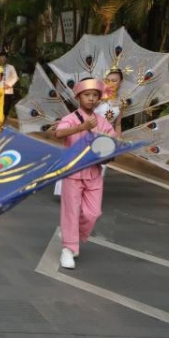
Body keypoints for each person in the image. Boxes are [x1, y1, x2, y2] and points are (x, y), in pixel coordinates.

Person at [53, 78, 117, 269]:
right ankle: (68, 249)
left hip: (94, 173)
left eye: (95, 95)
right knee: (71, 212)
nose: (91, 99)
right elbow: (58, 134)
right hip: (73, 171)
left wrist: (110, 154)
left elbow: (112, 144)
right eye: (87, 95)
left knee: (93, 213)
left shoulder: (103, 122)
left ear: (99, 99)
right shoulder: (70, 118)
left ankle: (69, 234)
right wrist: (81, 128)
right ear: (79, 97)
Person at [0, 51, 18, 117]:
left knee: (6, 107)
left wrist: (9, 85)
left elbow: (16, 77)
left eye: (4, 57)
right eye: (1, 57)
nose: (3, 59)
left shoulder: (11, 67)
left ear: (6, 58)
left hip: (8, 91)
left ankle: (3, 120)